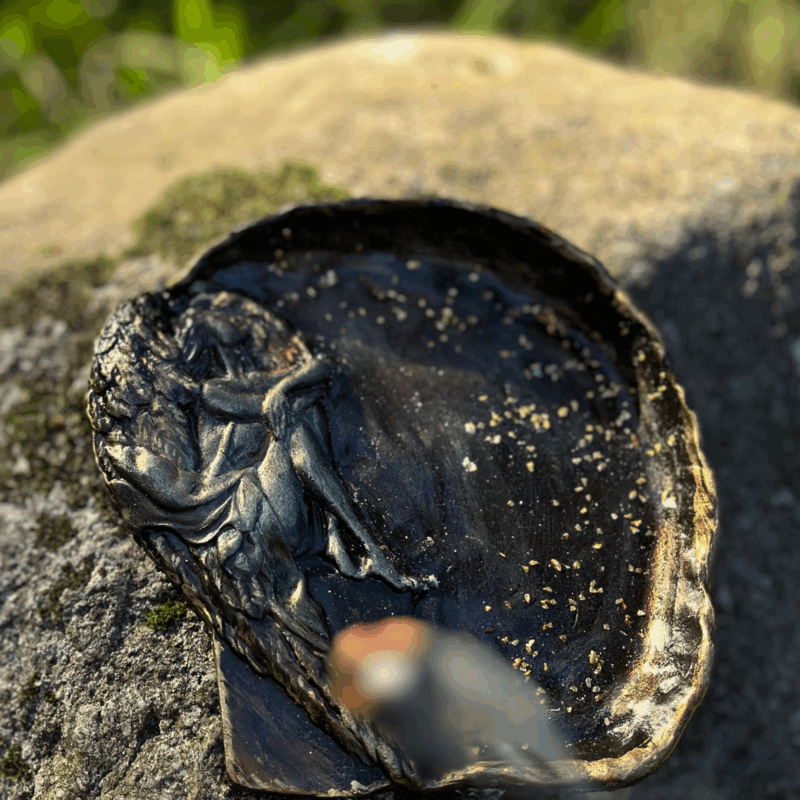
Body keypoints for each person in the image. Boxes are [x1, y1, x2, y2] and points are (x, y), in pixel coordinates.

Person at [101, 291, 423, 644]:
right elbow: (272, 410)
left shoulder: (255, 378)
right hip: (254, 508)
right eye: (215, 313)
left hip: (288, 500)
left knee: (296, 425)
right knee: (294, 432)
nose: (233, 318)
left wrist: (284, 387)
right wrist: (287, 395)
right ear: (201, 334)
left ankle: (361, 547)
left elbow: (321, 368)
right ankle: (369, 549)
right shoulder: (213, 392)